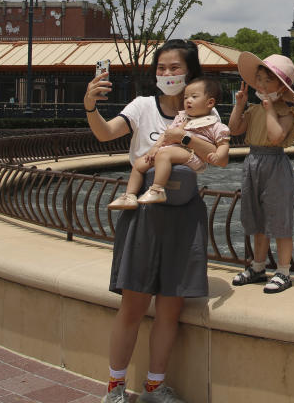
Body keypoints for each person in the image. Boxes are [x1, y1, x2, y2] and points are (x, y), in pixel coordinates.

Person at [85, 39, 227, 403]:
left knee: (170, 307)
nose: (166, 74)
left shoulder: (206, 117)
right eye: (161, 68)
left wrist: (186, 137)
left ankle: (154, 386)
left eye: (175, 68)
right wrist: (89, 106)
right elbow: (105, 133)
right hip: (146, 214)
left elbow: (217, 158)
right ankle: (115, 388)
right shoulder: (142, 106)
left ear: (190, 73)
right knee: (133, 304)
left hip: (184, 214)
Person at [228, 53, 294, 294]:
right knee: (258, 218)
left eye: (266, 80)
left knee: (279, 219)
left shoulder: (285, 113)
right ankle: (258, 266)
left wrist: (270, 109)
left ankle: (283, 271)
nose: (259, 84)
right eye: (257, 79)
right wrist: (239, 106)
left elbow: (276, 137)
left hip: (274, 164)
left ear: (280, 87)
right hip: (253, 161)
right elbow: (234, 129)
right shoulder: (254, 109)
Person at [109, 77, 230, 210]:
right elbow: (167, 134)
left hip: (191, 155)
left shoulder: (215, 125)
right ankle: (130, 196)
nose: (188, 100)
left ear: (210, 102)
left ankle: (157, 189)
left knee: (165, 154)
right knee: (139, 163)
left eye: (194, 97)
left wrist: (218, 155)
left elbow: (223, 145)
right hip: (169, 151)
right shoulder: (181, 118)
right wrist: (155, 147)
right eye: (185, 97)